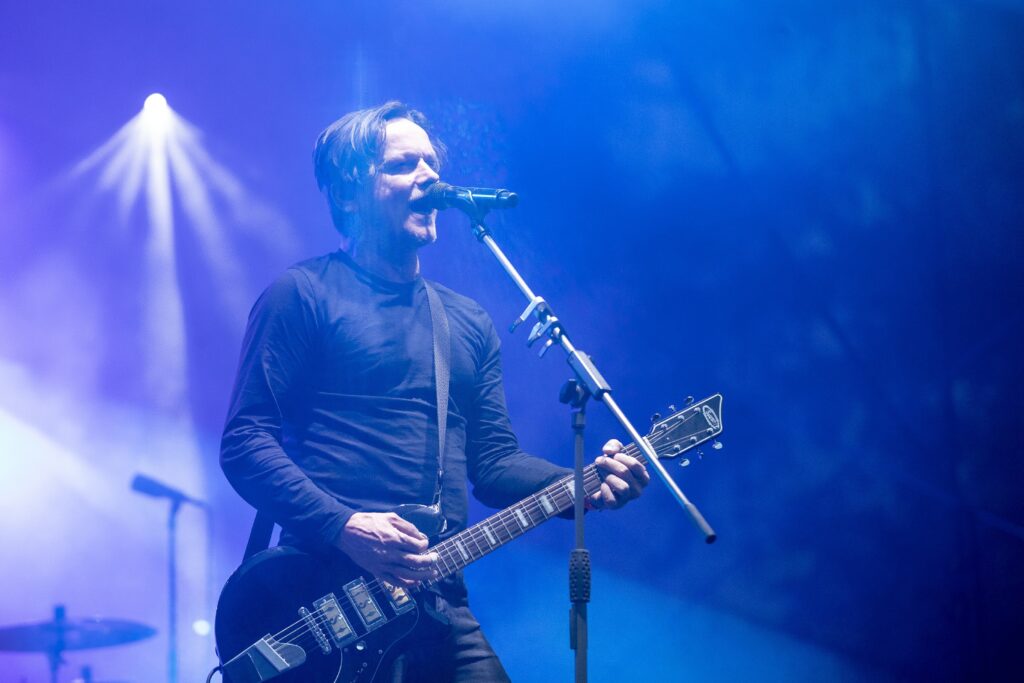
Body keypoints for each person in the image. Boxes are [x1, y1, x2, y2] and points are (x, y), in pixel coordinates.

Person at [220, 101, 650, 681]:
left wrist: (582, 482)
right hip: (321, 595)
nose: (428, 176)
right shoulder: (301, 295)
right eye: (403, 165)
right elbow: (245, 442)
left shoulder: (466, 322)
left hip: (437, 600)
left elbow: (493, 464)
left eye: (431, 162)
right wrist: (344, 525)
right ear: (348, 194)